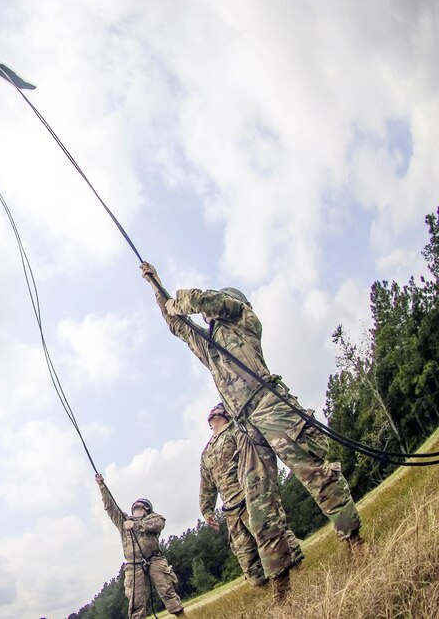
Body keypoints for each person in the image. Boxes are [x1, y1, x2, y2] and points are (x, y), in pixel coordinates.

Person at [140, 262, 362, 601]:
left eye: (210, 314)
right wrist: (157, 285)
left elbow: (205, 301)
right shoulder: (210, 345)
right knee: (258, 509)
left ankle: (355, 542)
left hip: (270, 405)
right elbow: (178, 326)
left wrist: (182, 299)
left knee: (314, 474)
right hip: (245, 426)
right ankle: (282, 583)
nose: (206, 320)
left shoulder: (243, 319)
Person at [200, 402, 303, 589]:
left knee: (271, 535)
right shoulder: (207, 451)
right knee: (246, 556)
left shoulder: (237, 431)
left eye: (217, 409)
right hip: (231, 509)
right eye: (211, 410)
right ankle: (263, 587)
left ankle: (296, 569)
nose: (212, 412)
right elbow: (207, 483)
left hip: (250, 497)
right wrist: (206, 510)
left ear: (225, 414)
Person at [95, 474, 184, 618]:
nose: (137, 506)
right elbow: (111, 507)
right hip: (133, 565)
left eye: (140, 505)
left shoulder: (153, 518)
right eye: (135, 505)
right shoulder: (123, 521)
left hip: (155, 560)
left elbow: (159, 524)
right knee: (136, 602)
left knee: (167, 591)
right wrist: (102, 486)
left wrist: (136, 525)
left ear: (147, 508)